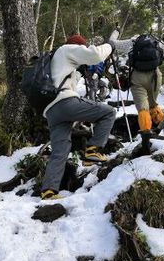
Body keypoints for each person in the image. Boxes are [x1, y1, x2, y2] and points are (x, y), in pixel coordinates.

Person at [40, 34, 117, 200]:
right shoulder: (67, 49)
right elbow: (95, 55)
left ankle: (49, 190)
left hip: (52, 111)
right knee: (109, 112)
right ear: (77, 46)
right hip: (65, 102)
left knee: (60, 150)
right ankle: (92, 150)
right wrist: (110, 46)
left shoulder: (55, 59)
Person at [109, 30, 164, 134]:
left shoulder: (132, 42)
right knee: (153, 105)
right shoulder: (156, 43)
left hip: (137, 78)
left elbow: (113, 44)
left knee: (143, 108)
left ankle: (146, 133)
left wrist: (116, 32)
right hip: (155, 77)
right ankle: (162, 128)